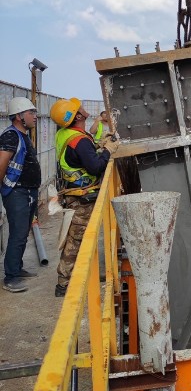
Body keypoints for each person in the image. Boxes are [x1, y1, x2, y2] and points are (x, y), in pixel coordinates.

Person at [50, 97, 120, 297]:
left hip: (73, 193)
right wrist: (107, 151)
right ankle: (63, 284)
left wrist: (99, 145)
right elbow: (96, 167)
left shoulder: (65, 133)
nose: (81, 107)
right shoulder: (79, 141)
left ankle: (74, 277)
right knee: (76, 240)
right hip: (82, 198)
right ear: (78, 116)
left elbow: (80, 156)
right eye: (78, 107)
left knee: (78, 238)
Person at [0, 97, 41, 293]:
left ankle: (16, 268)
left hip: (27, 191)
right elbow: (2, 163)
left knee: (23, 232)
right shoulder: (11, 136)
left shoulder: (23, 135)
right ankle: (11, 277)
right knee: (18, 233)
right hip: (17, 191)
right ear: (18, 116)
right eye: (31, 112)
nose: (35, 116)